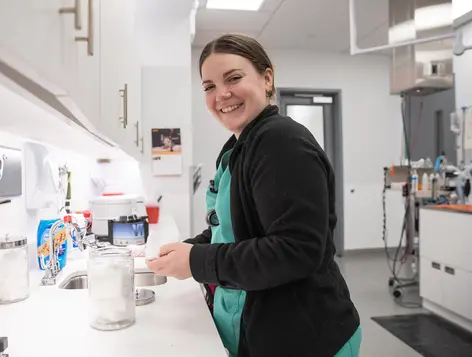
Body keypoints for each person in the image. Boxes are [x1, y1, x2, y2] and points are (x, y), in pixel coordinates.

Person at [146, 33, 361, 357]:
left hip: (306, 339)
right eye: (209, 86)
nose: (222, 94)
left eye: (233, 78)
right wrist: (187, 250)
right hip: (259, 328)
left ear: (267, 78)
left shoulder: (281, 142)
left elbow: (297, 250)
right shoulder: (238, 148)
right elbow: (234, 229)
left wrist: (197, 261)